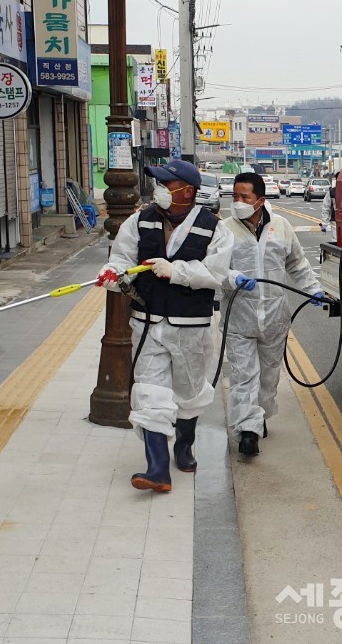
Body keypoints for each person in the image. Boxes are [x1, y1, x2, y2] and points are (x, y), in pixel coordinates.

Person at [96, 160, 233, 493]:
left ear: (187, 191)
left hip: (192, 326)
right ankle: (157, 469)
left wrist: (177, 272)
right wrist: (114, 274)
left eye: (165, 184)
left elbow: (216, 274)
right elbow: (122, 257)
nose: (159, 189)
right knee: (149, 393)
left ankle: (184, 445)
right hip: (148, 322)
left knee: (189, 392)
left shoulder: (214, 228)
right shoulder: (139, 220)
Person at [222, 172, 323, 456]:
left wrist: (313, 289)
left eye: (244, 197)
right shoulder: (225, 229)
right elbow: (214, 268)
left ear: (260, 200)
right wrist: (232, 277)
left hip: (275, 316)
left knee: (268, 376)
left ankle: (259, 416)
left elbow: (297, 264)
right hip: (240, 316)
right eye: (235, 196)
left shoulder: (281, 226)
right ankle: (248, 431)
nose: (238, 202)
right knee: (243, 375)